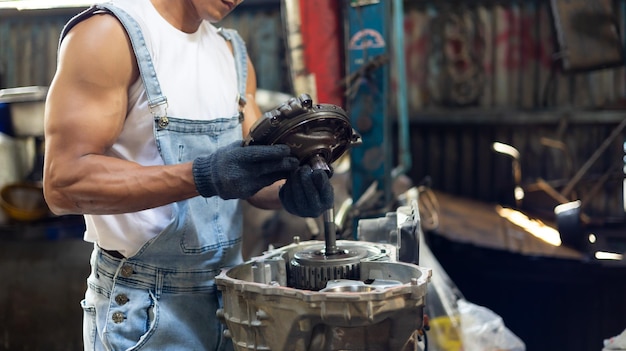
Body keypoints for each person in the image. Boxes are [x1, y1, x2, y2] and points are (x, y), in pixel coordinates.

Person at [42, 0, 334, 350]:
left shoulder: (232, 52)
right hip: (145, 310)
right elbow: (64, 182)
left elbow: (248, 174)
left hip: (231, 302)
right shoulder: (108, 35)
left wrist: (289, 192)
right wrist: (203, 175)